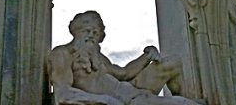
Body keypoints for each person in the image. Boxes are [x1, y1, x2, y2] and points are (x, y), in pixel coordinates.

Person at [48, 11, 200, 105]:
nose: (91, 36)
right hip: (130, 101)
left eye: (96, 33)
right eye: (86, 31)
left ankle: (189, 95)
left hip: (134, 89)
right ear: (75, 32)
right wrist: (107, 101)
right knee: (184, 104)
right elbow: (63, 94)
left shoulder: (98, 57)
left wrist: (147, 56)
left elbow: (124, 73)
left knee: (173, 62)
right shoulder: (62, 54)